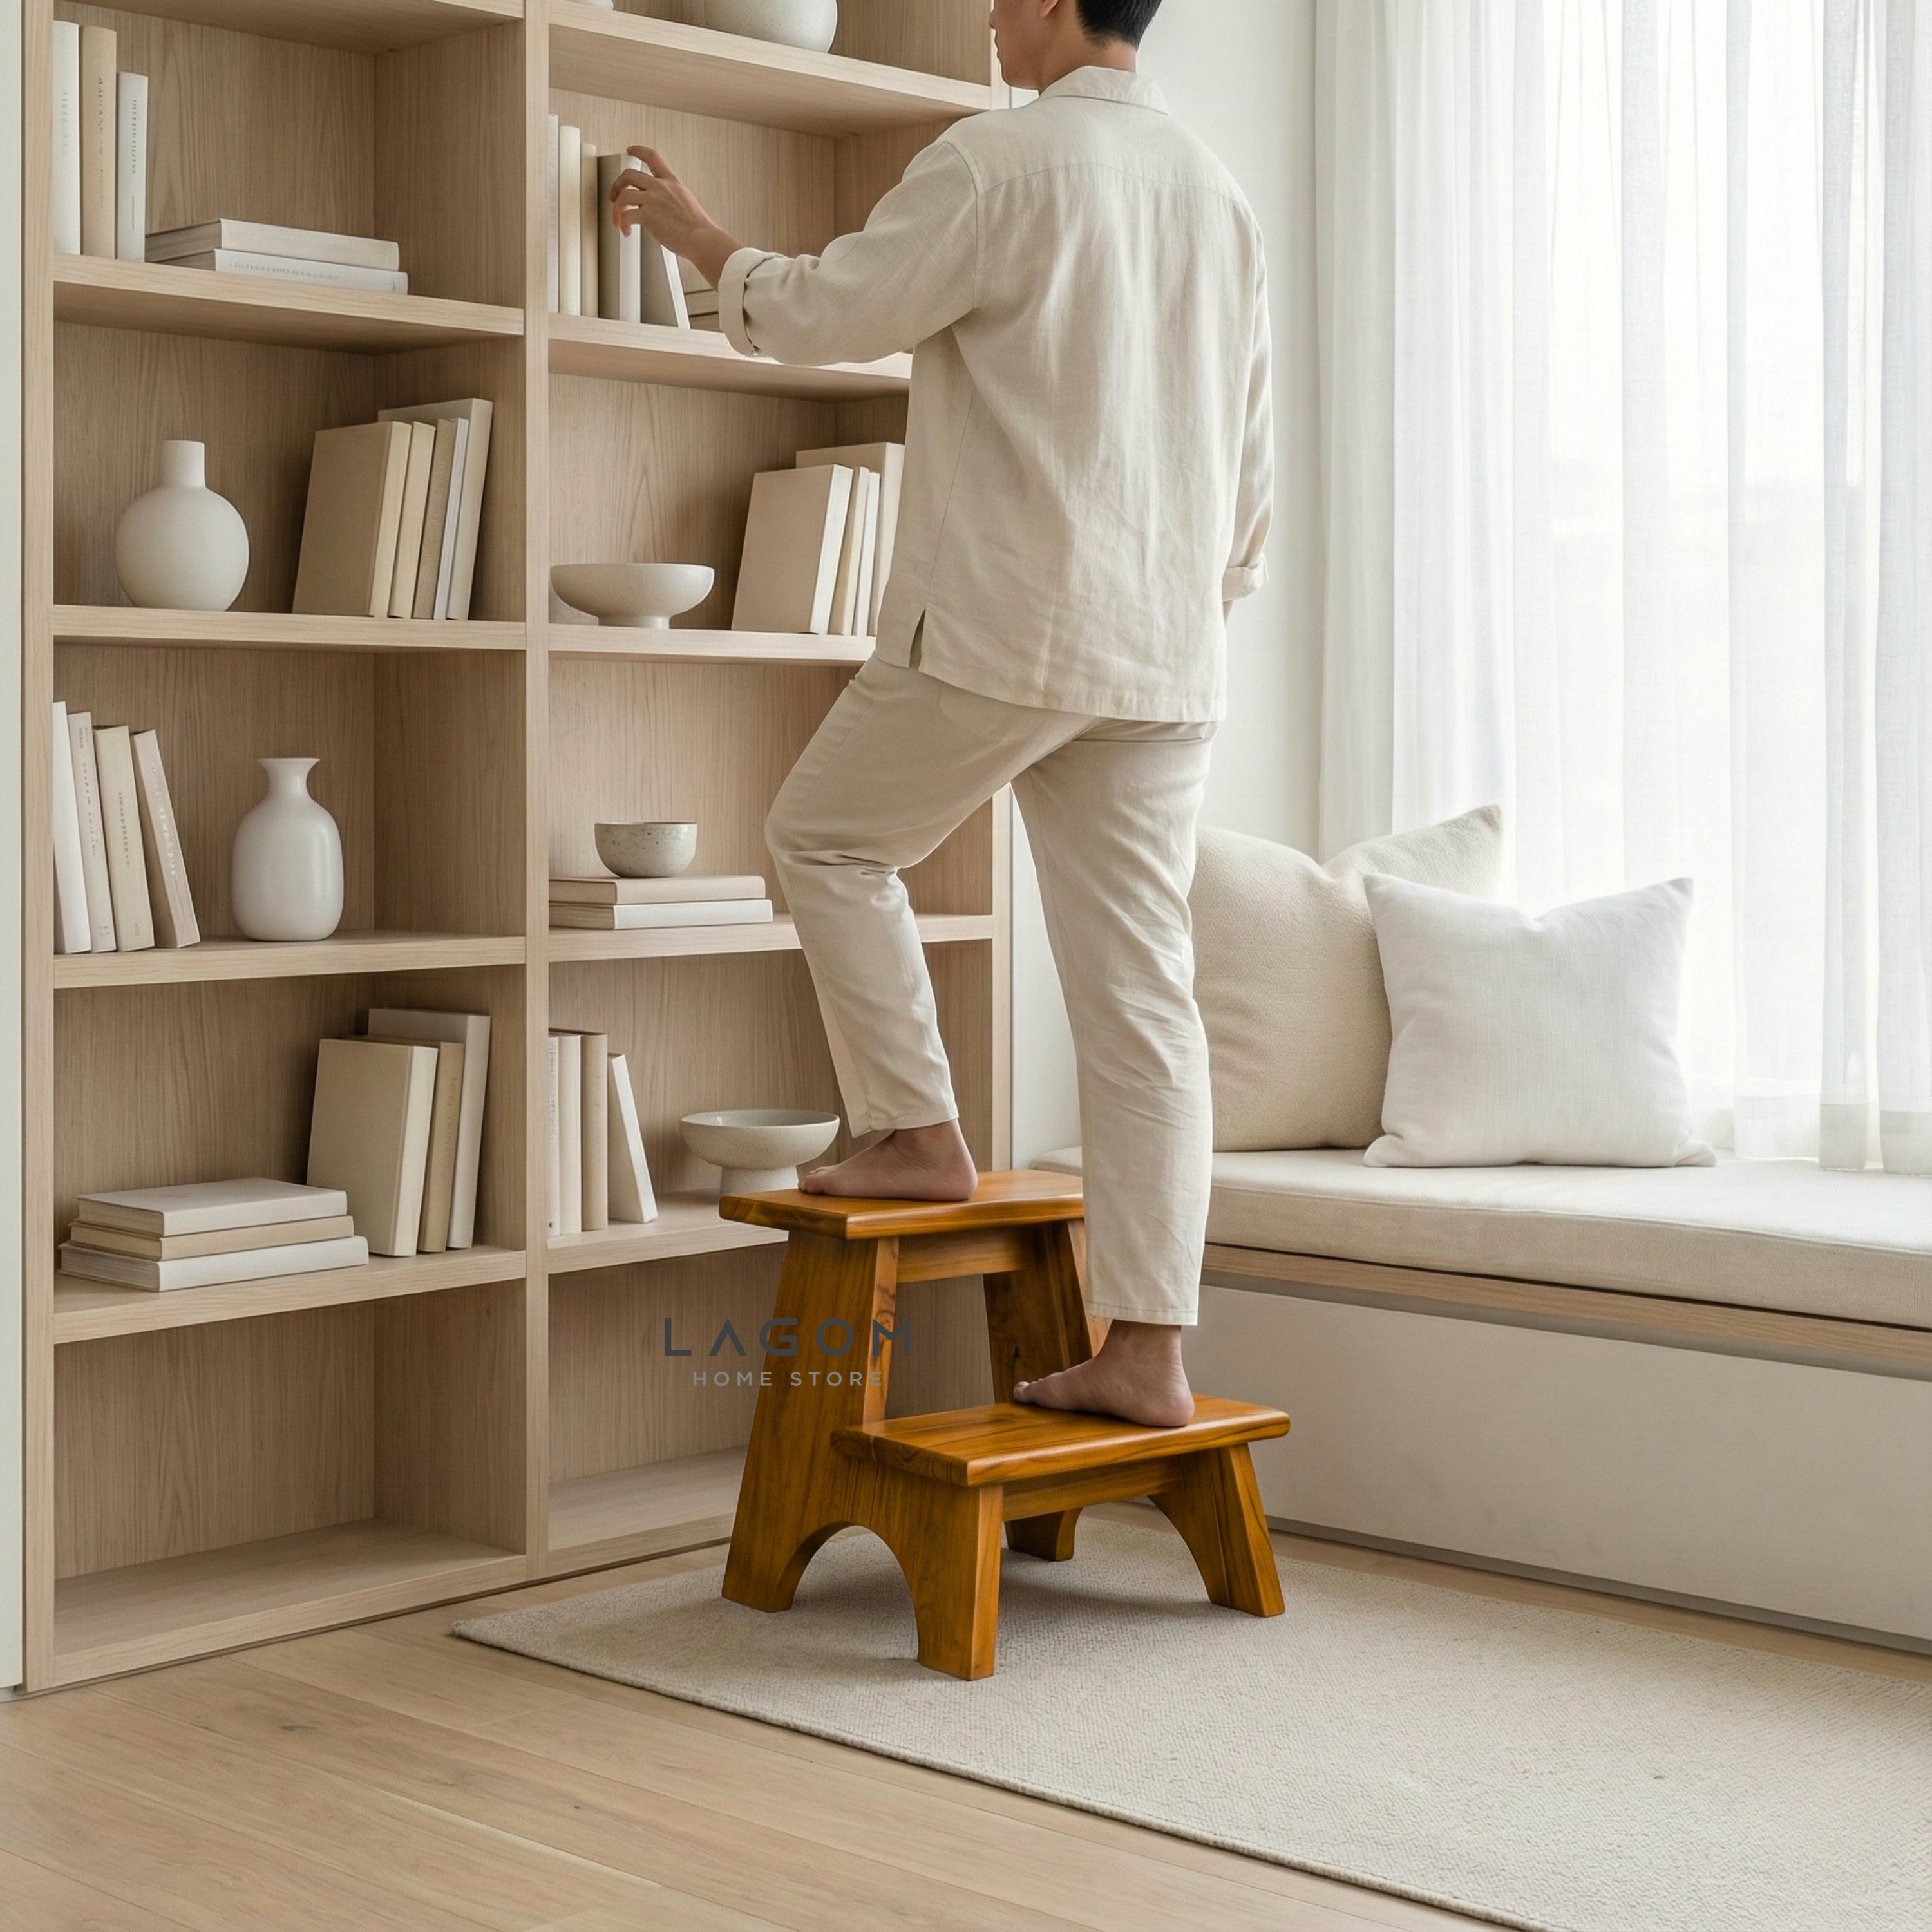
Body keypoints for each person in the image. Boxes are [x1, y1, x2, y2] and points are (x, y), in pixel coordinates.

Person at [611, 0, 1272, 1428]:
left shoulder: (999, 164)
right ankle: (1149, 1353)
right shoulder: (1218, 195)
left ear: (1048, 2)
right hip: (1166, 651)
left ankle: (917, 1128)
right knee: (1144, 1004)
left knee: (826, 841)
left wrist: (702, 238)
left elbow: (825, 315)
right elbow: (1252, 459)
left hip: (1008, 622)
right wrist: (1197, 606)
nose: (983, 14)